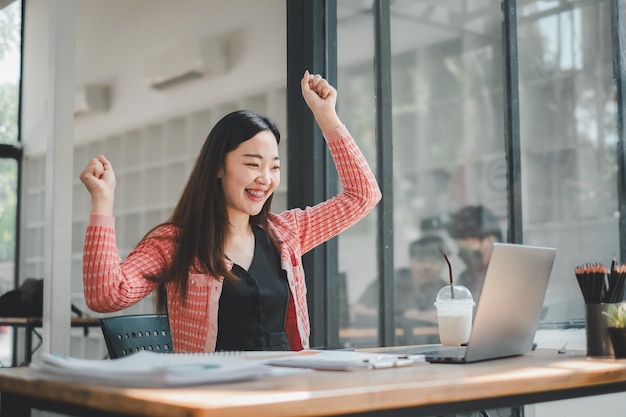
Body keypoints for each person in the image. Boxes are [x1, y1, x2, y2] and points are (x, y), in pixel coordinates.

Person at [80, 71, 382, 353]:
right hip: (216, 396)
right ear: (218, 168)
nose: (265, 178)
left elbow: (363, 195)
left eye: (274, 167)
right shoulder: (175, 243)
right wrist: (103, 201)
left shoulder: (285, 233)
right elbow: (106, 295)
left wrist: (326, 114)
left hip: (285, 390)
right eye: (252, 164)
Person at [352, 235, 447, 343]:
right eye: (420, 260)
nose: (426, 267)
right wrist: (392, 317)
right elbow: (358, 308)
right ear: (411, 261)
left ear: (443, 265)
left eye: (433, 262)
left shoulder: (446, 291)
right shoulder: (390, 282)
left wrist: (426, 316)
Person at [446, 205, 502, 305]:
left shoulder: (508, 276)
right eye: (459, 247)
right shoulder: (466, 277)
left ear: (489, 241)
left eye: (467, 247)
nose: (462, 253)